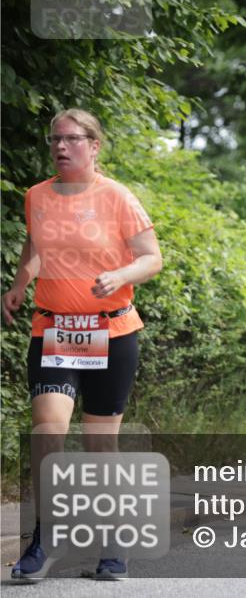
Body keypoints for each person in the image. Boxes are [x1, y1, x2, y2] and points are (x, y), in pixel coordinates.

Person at [5, 109, 163, 582]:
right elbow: (36, 246)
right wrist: (19, 283)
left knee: (100, 443)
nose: (61, 146)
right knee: (47, 431)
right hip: (55, 330)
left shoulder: (117, 196)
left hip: (111, 331)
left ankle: (113, 542)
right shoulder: (37, 196)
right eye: (55, 138)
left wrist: (120, 274)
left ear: (94, 146)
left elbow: (152, 259)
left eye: (72, 138)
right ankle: (46, 535)